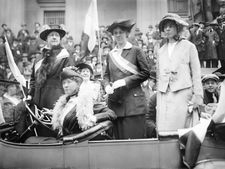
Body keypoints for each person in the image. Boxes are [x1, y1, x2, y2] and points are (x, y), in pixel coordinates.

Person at [104, 19, 150, 139]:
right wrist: (106, 86)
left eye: (121, 32)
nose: (118, 35)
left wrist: (125, 81)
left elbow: (146, 73)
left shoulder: (136, 51)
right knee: (118, 144)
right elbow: (106, 75)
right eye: (115, 33)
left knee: (135, 142)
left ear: (127, 34)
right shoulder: (110, 54)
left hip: (133, 105)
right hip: (115, 105)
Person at [157, 13, 203, 133]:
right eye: (165, 26)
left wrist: (197, 96)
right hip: (164, 94)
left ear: (178, 27)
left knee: (182, 129)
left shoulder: (189, 47)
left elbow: (196, 73)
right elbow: (159, 76)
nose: (167, 29)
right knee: (165, 130)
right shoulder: (160, 51)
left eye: (171, 26)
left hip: (183, 92)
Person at [44, 68, 116, 137]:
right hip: (62, 139)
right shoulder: (65, 102)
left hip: (75, 142)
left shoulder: (85, 101)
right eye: (64, 83)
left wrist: (93, 118)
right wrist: (53, 114)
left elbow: (111, 114)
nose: (65, 85)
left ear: (78, 84)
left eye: (69, 82)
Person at [28, 25, 74, 110]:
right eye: (51, 35)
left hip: (56, 99)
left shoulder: (65, 56)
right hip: (38, 100)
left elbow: (69, 79)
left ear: (60, 39)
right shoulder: (39, 58)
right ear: (46, 39)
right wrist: (30, 95)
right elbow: (33, 79)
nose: (54, 37)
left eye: (56, 35)